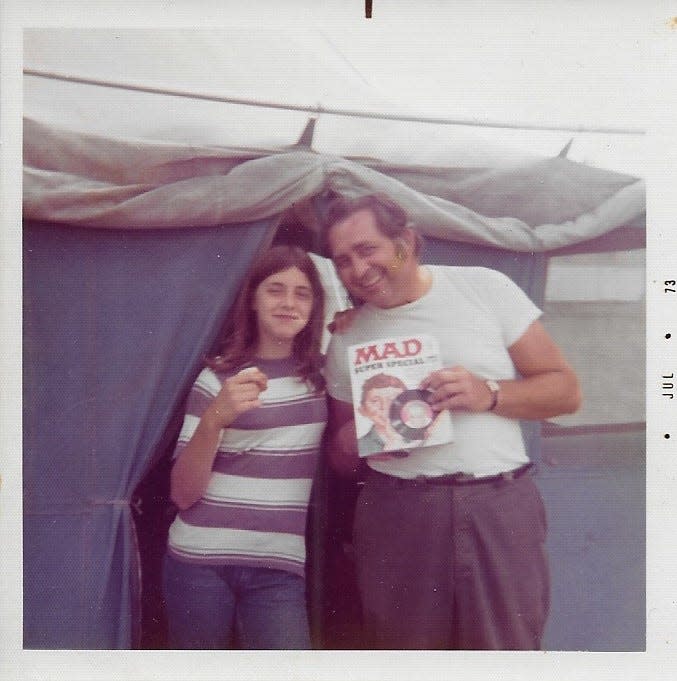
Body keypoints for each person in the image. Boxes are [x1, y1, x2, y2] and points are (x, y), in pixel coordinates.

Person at [322, 193, 582, 650]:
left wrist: (491, 394)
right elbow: (342, 460)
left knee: (507, 652)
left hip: (497, 505)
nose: (358, 270)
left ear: (406, 242)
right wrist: (352, 440)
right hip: (397, 511)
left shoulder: (485, 287)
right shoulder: (347, 335)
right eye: (343, 260)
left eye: (367, 250)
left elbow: (566, 391)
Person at [163, 245, 327, 650]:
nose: (289, 302)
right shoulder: (216, 378)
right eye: (275, 289)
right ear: (252, 299)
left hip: (278, 567)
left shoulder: (324, 377)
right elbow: (182, 494)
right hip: (199, 561)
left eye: (302, 293)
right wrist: (215, 417)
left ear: (314, 306)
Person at [356, 373, 407, 455]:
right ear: (362, 410)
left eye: (393, 399)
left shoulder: (423, 435)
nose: (385, 406)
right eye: (375, 401)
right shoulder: (361, 445)